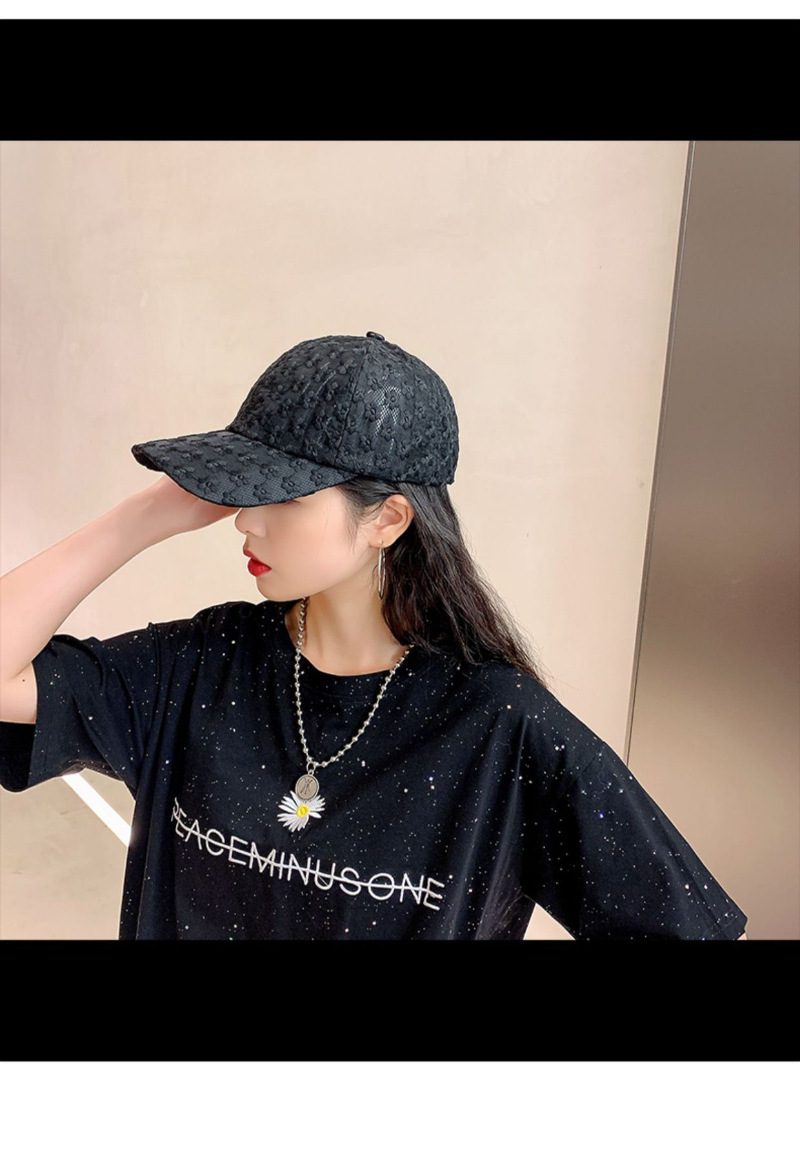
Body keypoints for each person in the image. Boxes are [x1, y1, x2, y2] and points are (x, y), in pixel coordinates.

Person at [0, 331, 748, 941]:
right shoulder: (205, 662)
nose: (245, 519)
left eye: (284, 496)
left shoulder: (499, 725)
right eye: (245, 489)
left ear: (387, 519)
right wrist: (144, 517)